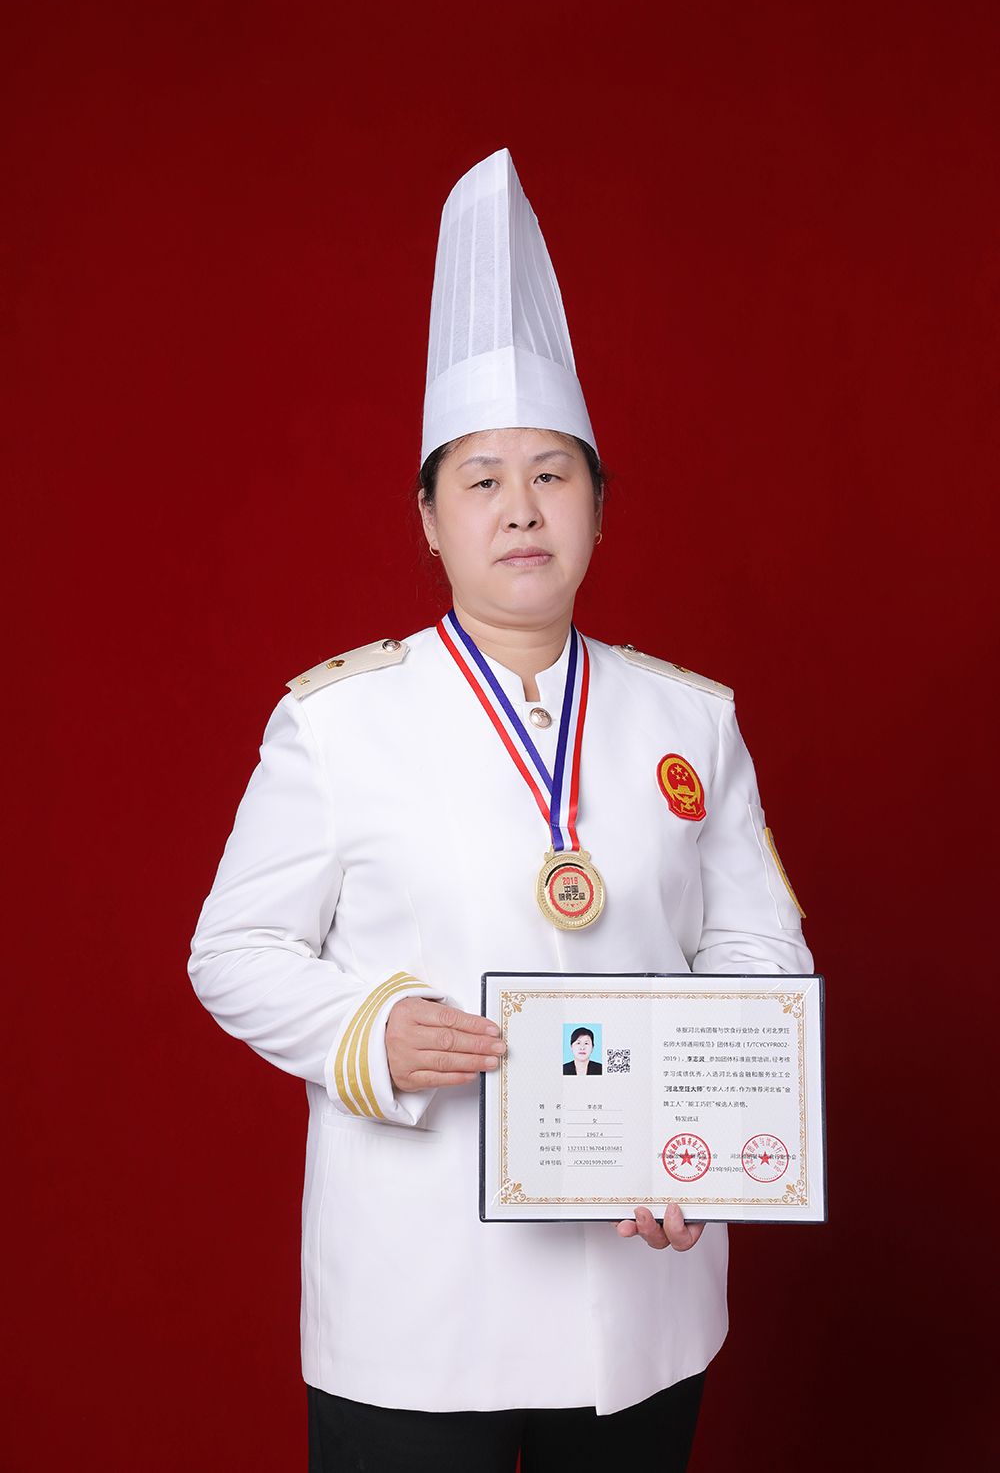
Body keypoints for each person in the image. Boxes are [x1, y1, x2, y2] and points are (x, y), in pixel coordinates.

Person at [189, 149, 812, 1473]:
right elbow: (231, 950)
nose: (520, 510)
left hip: (639, 1284)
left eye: (552, 475)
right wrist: (368, 1031)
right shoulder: (338, 723)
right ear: (428, 518)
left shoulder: (690, 722)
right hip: (417, 1299)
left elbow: (757, 952)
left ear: (598, 504)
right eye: (480, 480)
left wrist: (706, 1154)